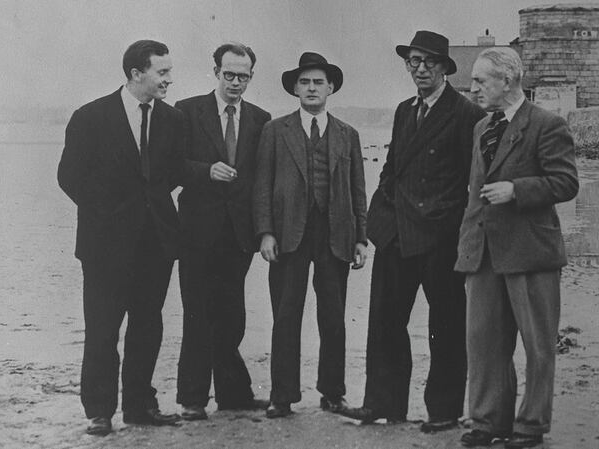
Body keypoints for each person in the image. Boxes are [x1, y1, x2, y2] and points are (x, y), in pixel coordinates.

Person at [339, 30, 485, 432]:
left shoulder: (467, 114)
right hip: (396, 234)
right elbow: (393, 167)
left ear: (444, 68)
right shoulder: (405, 109)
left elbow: (473, 181)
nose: (420, 69)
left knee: (446, 325)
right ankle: (383, 404)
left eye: (429, 62)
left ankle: (444, 410)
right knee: (384, 321)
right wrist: (379, 217)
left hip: (441, 238)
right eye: (414, 61)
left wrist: (453, 227)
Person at [57, 40, 185, 436]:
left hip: (156, 244)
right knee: (102, 329)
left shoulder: (173, 120)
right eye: (162, 72)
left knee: (147, 326)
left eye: (169, 71)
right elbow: (70, 177)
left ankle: (139, 406)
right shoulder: (91, 117)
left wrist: (148, 212)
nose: (169, 79)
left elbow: (171, 174)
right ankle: (99, 411)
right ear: (136, 73)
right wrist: (112, 216)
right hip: (104, 247)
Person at [455, 47, 578, 448]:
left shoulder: (547, 124)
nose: (473, 89)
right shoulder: (482, 127)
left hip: (530, 252)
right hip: (483, 252)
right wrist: (466, 244)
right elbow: (475, 190)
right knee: (483, 342)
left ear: (506, 81)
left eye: (480, 81)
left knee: (538, 346)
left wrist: (516, 190)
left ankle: (530, 426)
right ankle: (487, 421)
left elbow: (566, 182)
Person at [253, 52, 368, 419]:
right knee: (286, 315)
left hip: (335, 235)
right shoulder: (275, 131)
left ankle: (333, 393)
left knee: (333, 318)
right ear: (295, 89)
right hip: (289, 235)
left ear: (330, 87)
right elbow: (261, 185)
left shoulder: (348, 134)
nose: (312, 88)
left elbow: (358, 189)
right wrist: (266, 233)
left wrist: (361, 238)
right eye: (304, 82)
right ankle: (282, 395)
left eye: (319, 82)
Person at [173, 42, 271, 421]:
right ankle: (192, 398)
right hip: (196, 232)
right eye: (228, 74)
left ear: (251, 77)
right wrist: (206, 171)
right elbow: (172, 166)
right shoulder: (186, 111)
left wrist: (264, 230)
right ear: (215, 72)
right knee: (197, 314)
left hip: (238, 235)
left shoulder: (260, 119)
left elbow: (262, 178)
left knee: (232, 316)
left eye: (243, 77)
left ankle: (233, 395)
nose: (235, 83)